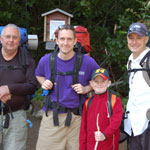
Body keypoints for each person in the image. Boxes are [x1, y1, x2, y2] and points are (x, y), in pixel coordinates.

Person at [35, 24, 100, 150]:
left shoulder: (87, 62)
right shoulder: (46, 60)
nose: (65, 43)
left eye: (69, 39)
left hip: (78, 120)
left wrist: (86, 88)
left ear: (75, 41)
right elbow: (38, 74)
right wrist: (43, 82)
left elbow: (101, 79)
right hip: (51, 118)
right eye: (62, 39)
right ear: (57, 40)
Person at [0, 24, 37, 150]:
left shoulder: (26, 58)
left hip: (16, 115)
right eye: (7, 37)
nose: (11, 40)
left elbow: (32, 85)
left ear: (19, 40)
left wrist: (8, 88)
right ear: (1, 38)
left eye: (15, 37)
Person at [79, 68, 123, 150]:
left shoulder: (114, 100)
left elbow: (116, 122)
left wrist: (105, 134)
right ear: (91, 84)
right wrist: (82, 147)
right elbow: (83, 129)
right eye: (96, 81)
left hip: (108, 145)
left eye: (103, 81)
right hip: (90, 146)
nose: (99, 84)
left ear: (109, 83)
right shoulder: (88, 103)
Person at [124, 22, 150, 150]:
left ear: (146, 39)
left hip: (147, 126)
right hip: (133, 126)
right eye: (131, 38)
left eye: (138, 38)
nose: (134, 42)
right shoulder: (130, 61)